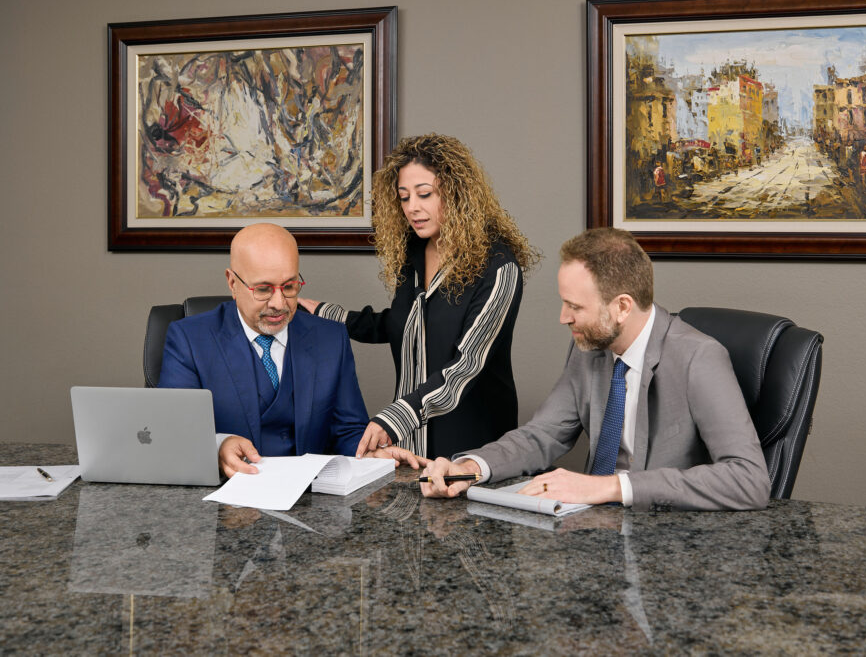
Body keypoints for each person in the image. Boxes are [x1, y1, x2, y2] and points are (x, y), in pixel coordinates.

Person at [420, 227, 771, 511]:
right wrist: (469, 468)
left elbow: (749, 480)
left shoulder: (700, 358)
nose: (563, 318)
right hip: (595, 534)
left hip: (669, 548)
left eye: (575, 306)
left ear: (621, 307)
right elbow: (541, 434)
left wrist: (610, 487)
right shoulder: (590, 348)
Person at [300, 134, 540, 460]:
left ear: (456, 193)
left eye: (424, 194)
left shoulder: (498, 268)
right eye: (403, 197)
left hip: (472, 452)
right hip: (408, 449)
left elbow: (465, 367)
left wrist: (395, 418)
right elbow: (401, 325)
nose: (412, 207)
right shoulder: (411, 256)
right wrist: (329, 314)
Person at [159, 223, 421, 476]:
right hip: (228, 506)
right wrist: (218, 446)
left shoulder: (331, 337)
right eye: (262, 289)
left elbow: (347, 431)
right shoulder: (189, 339)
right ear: (232, 282)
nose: (278, 303)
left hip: (310, 505)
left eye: (289, 286)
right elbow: (174, 432)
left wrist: (369, 455)